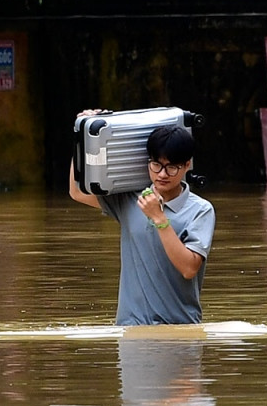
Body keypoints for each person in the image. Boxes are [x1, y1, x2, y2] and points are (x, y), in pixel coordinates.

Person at [69, 120, 216, 325]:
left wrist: (159, 218)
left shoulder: (200, 210)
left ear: (187, 165)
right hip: (130, 327)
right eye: (156, 165)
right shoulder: (129, 198)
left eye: (172, 167)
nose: (162, 174)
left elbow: (189, 268)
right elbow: (77, 192)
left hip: (179, 328)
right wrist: (83, 135)